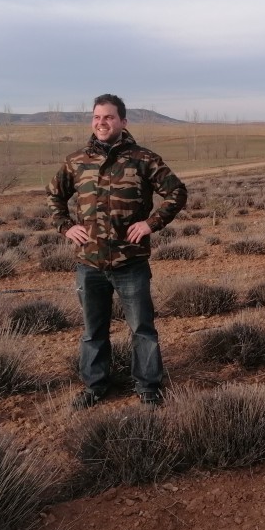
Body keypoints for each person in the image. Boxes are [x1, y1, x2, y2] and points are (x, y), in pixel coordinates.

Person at [47, 93, 187, 409]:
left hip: (131, 262)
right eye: (97, 117)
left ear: (123, 122)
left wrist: (151, 223)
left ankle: (148, 387)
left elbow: (177, 192)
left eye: (109, 117)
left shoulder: (143, 159)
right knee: (93, 331)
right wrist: (65, 226)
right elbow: (53, 196)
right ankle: (95, 387)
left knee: (142, 330)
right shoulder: (77, 161)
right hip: (89, 262)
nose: (102, 122)